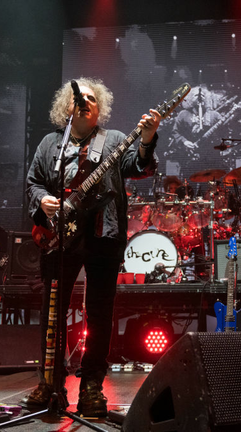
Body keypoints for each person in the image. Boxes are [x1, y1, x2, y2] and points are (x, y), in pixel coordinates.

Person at [24, 77, 161, 417]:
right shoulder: (49, 144)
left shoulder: (113, 140)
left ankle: (91, 387)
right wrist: (43, 201)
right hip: (59, 237)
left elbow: (137, 165)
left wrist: (146, 139)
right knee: (53, 311)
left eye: (91, 98)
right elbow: (32, 183)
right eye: (78, 98)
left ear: (99, 108)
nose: (84, 101)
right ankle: (50, 382)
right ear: (66, 107)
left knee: (99, 314)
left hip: (103, 235)